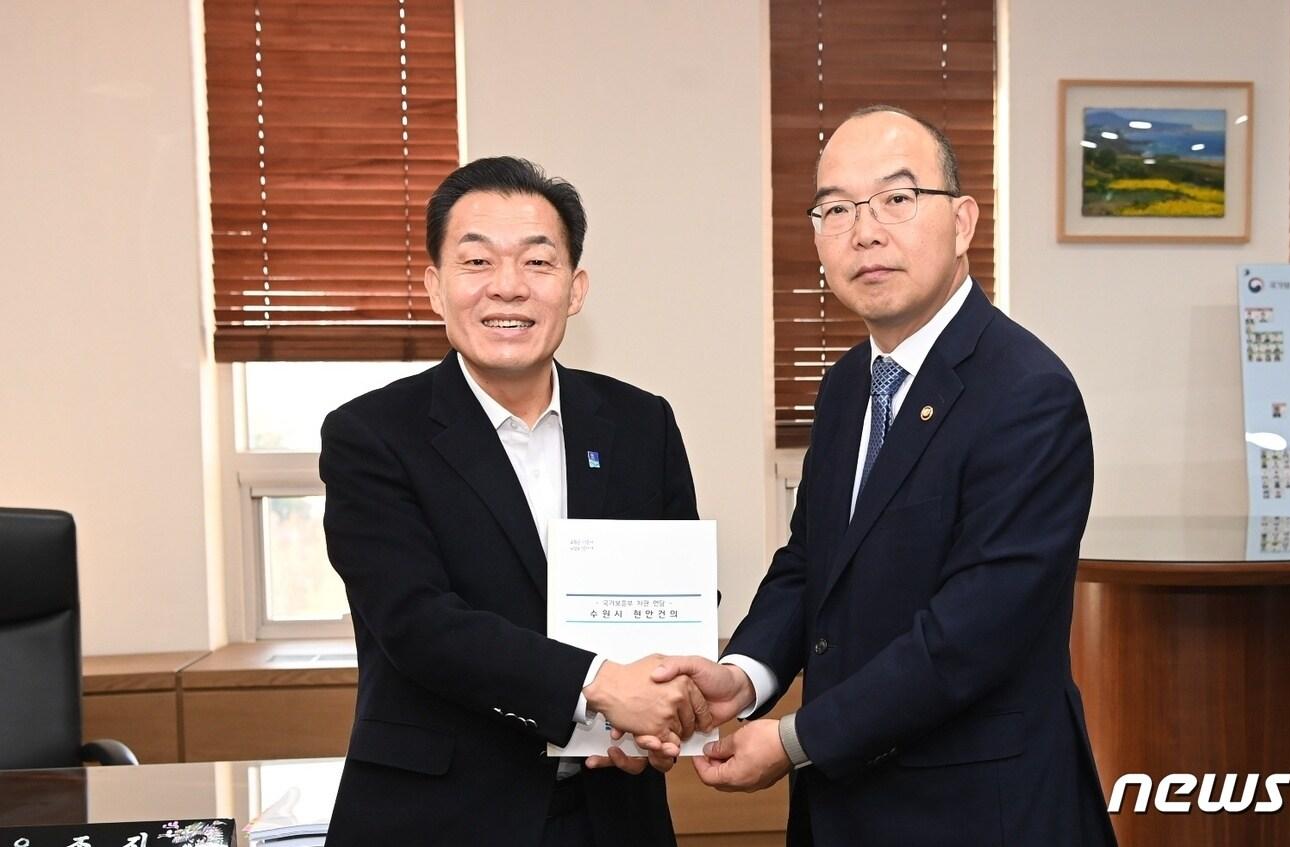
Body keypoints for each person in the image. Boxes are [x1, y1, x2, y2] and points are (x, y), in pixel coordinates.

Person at [648, 106, 1118, 846]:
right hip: (845, 806)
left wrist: (794, 738)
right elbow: (810, 565)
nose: (865, 230)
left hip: (976, 811)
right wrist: (743, 675)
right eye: (836, 208)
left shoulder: (1027, 392)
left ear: (962, 221)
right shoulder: (846, 387)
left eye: (897, 199)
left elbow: (969, 635)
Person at [321, 156, 706, 846]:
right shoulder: (371, 435)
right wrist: (596, 685)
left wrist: (649, 715)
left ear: (575, 287)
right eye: (477, 262)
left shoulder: (642, 424)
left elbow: (678, 594)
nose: (508, 288)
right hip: (439, 816)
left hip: (613, 808)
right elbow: (416, 622)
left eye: (537, 262)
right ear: (436, 288)